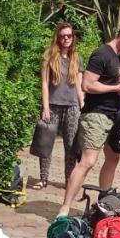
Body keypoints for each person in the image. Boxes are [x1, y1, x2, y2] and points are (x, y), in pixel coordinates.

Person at [54, 23, 120, 218]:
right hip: (96, 114)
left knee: (113, 156)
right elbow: (87, 85)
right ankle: (65, 208)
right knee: (88, 161)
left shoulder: (118, 57)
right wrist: (115, 89)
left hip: (113, 114)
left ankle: (105, 201)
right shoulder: (101, 54)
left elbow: (112, 82)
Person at [36, 22, 84, 190]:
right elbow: (44, 83)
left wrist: (82, 103)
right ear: (57, 37)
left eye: (69, 36)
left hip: (72, 107)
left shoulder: (77, 58)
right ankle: (43, 179)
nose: (66, 39)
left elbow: (79, 85)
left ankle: (68, 181)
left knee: (71, 146)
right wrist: (45, 107)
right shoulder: (49, 56)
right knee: (46, 142)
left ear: (73, 37)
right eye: (63, 35)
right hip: (53, 105)